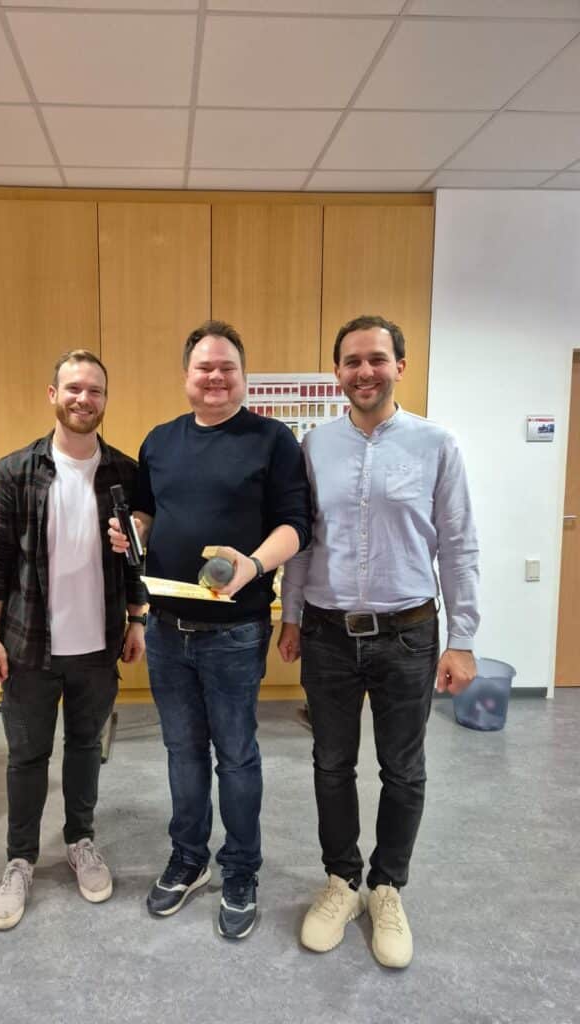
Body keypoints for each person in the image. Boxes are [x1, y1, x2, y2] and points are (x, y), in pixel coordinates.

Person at [278, 314, 479, 968]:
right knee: (331, 764)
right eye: (352, 361)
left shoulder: (436, 444)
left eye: (376, 359)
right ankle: (342, 881)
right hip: (328, 634)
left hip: (409, 634)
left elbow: (458, 545)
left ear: (399, 366)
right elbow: (302, 540)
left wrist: (463, 637)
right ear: (338, 371)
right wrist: (291, 615)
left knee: (403, 767)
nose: (364, 371)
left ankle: (387, 886)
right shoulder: (314, 446)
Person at [110, 320, 311, 940]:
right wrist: (133, 532)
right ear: (186, 376)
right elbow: (148, 512)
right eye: (204, 367)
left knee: (237, 754)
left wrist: (252, 565)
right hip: (168, 628)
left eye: (227, 367)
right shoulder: (160, 441)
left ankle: (241, 870)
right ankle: (189, 858)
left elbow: (296, 525)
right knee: (182, 751)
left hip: (235, 631)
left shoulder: (272, 440)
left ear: (243, 377)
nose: (216, 377)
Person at [0, 349, 147, 931]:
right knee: (27, 756)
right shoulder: (15, 471)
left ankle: (81, 841)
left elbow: (136, 559)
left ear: (105, 400)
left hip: (98, 646)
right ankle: (19, 860)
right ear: (53, 394)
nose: (83, 399)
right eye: (73, 388)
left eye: (94, 390)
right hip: (29, 646)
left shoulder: (125, 473)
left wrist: (137, 619)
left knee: (85, 748)